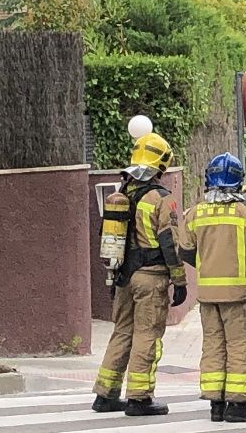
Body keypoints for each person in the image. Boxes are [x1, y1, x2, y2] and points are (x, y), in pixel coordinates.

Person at [92, 133, 188, 416]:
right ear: (161, 164)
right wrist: (179, 281)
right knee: (147, 334)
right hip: (150, 278)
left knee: (122, 332)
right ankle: (139, 398)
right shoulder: (161, 199)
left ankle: (105, 394)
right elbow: (169, 243)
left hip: (123, 277)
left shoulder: (124, 193)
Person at [178, 153, 246, 423]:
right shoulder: (245, 211)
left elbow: (185, 251)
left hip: (209, 296)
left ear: (208, 180)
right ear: (239, 181)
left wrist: (207, 263)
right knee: (240, 347)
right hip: (240, 296)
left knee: (213, 346)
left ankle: (216, 405)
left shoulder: (195, 213)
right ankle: (237, 404)